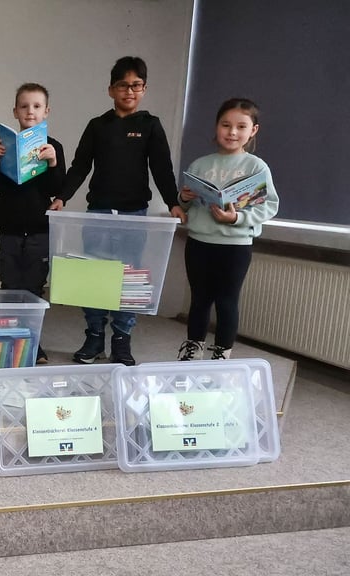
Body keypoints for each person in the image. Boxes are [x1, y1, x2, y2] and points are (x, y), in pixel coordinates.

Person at [58, 56, 186, 366]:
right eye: (122, 85)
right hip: (98, 212)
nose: (129, 91)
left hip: (134, 215)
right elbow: (79, 166)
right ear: (111, 90)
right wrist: (62, 197)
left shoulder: (150, 125)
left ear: (144, 89)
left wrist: (173, 202)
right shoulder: (97, 126)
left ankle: (121, 339)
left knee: (129, 279)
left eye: (136, 85)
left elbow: (162, 168)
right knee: (93, 276)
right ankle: (94, 337)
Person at [177, 98, 278, 361]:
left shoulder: (256, 167)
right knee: (199, 300)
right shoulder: (199, 164)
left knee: (227, 301)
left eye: (241, 126)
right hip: (199, 242)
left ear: (253, 130)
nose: (232, 132)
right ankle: (193, 350)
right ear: (216, 126)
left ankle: (222, 354)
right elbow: (184, 206)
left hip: (235, 246)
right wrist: (184, 198)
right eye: (225, 125)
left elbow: (269, 206)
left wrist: (236, 218)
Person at [0, 83, 67, 364]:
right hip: (9, 228)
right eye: (24, 106)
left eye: (36, 106)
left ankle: (33, 342)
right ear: (15, 111)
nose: (30, 111)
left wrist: (53, 162)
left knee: (34, 288)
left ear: (46, 111)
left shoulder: (53, 146)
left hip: (38, 230)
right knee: (9, 284)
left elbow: (57, 189)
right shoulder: (3, 145)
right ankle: (10, 340)